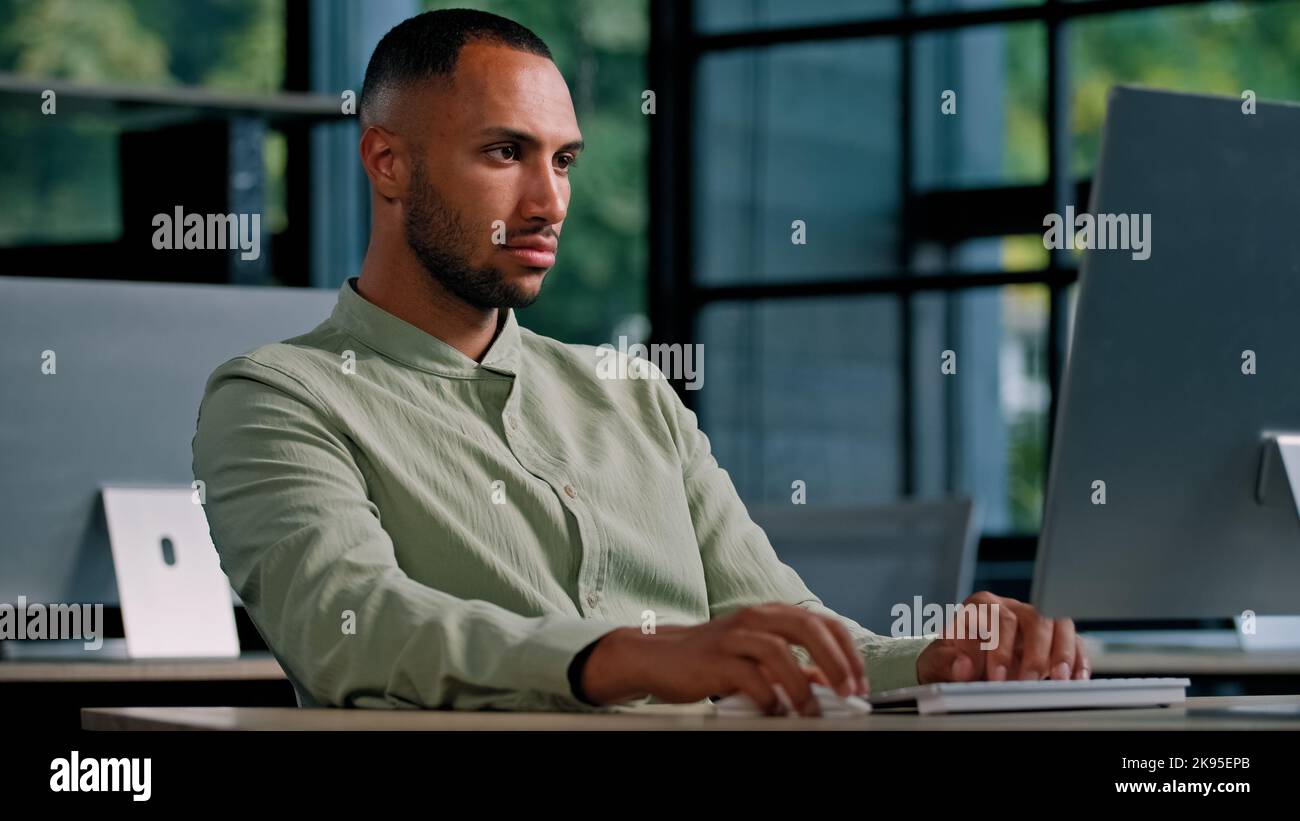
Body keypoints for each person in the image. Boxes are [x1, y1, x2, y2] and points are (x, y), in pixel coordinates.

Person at [192, 9, 1089, 717]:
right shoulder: (278, 397)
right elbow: (357, 627)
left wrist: (940, 657)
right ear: (387, 161)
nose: (549, 201)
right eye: (506, 153)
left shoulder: (632, 392)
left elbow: (788, 627)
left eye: (565, 160)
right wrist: (630, 654)